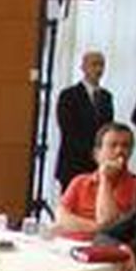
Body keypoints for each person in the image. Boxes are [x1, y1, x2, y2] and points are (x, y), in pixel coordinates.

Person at [56, 123, 136, 237]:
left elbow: (108, 221)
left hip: (109, 249)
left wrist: (105, 179)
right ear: (97, 154)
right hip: (70, 245)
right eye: (113, 145)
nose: (119, 151)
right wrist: (99, 228)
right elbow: (62, 218)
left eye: (125, 146)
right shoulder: (80, 182)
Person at [55, 50, 115, 188]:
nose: (98, 69)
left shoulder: (106, 97)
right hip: (73, 161)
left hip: (97, 162)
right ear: (83, 67)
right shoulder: (69, 95)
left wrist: (102, 154)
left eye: (101, 65)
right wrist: (91, 152)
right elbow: (68, 129)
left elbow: (108, 128)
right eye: (94, 64)